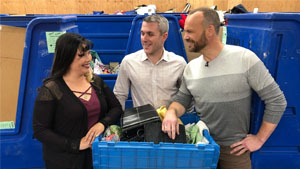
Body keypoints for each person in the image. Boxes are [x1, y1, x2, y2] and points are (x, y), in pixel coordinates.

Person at [162, 7, 287, 169]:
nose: (185, 37)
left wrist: (260, 139)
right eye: (185, 31)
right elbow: (181, 100)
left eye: (190, 32)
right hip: (202, 146)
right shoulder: (191, 68)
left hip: (235, 150)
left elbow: (277, 100)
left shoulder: (244, 58)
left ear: (209, 31)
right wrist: (171, 112)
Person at [32, 33, 123, 169]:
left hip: (96, 158)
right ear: (67, 58)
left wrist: (102, 124)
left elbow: (116, 108)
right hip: (65, 161)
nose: (89, 58)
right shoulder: (52, 90)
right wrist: (75, 144)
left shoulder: (95, 82)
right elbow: (40, 131)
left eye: (88, 53)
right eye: (82, 55)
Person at [113, 14, 187, 110]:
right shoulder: (128, 62)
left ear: (164, 37)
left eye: (150, 34)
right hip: (142, 123)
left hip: (170, 122)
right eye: (142, 33)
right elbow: (119, 96)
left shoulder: (179, 63)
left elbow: (187, 98)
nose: (144, 39)